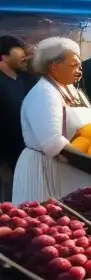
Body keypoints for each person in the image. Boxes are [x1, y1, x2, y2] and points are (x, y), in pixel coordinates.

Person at [13, 38, 91, 201]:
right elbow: (52, 142)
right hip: (47, 170)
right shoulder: (44, 93)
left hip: (73, 171)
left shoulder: (74, 90)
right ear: (54, 66)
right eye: (73, 65)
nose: (79, 70)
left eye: (80, 65)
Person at [0, 36, 36, 200]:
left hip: (27, 155)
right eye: (18, 49)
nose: (25, 54)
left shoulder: (27, 79)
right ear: (4, 56)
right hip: (5, 160)